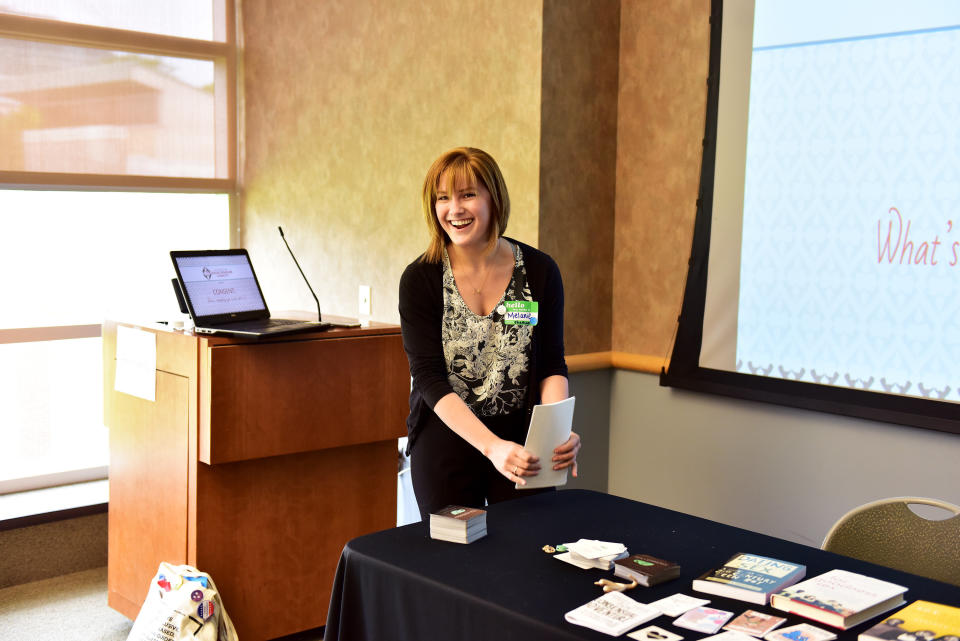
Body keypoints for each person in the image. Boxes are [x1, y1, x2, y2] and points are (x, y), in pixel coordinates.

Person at [399, 146, 581, 522]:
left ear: (493, 198)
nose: (455, 209)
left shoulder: (540, 270)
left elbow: (550, 363)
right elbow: (429, 378)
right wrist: (492, 447)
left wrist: (556, 433)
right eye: (443, 198)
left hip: (521, 438)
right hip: (446, 436)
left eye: (468, 194)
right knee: (454, 564)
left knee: (526, 555)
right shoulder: (420, 279)